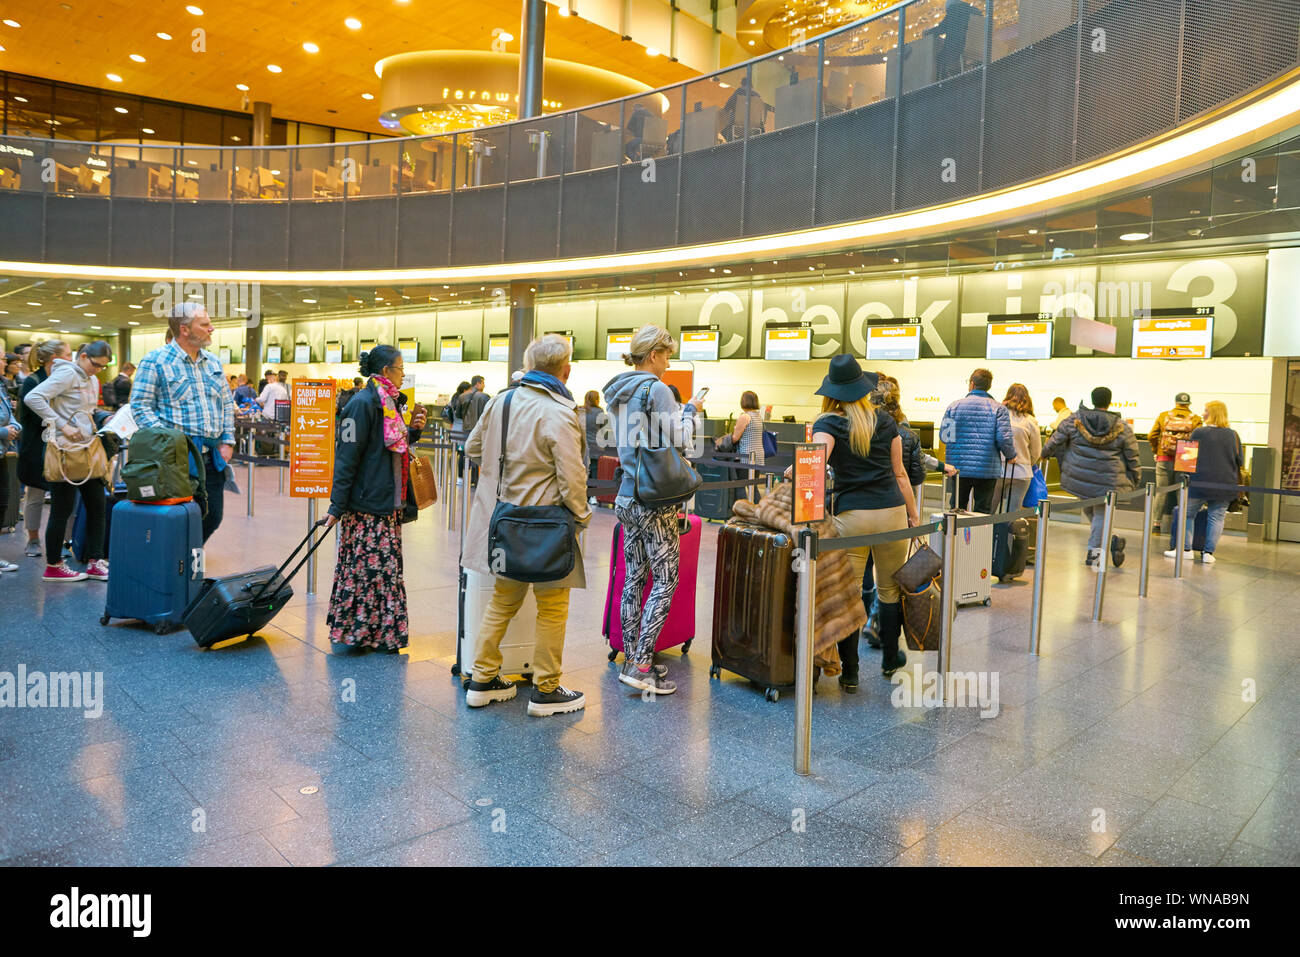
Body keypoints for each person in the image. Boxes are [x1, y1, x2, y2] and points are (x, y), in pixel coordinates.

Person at [461, 335, 591, 716]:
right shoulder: (559, 412)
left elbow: (472, 448)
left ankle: (482, 680)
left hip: (505, 522)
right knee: (552, 606)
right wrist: (581, 518)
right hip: (547, 526)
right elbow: (572, 477)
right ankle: (545, 690)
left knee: (502, 600)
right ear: (565, 370)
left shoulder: (502, 401)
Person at [603, 325, 706, 695]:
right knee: (665, 579)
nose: (668, 362)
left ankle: (633, 657)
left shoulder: (617, 390)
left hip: (628, 496)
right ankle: (642, 662)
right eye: (665, 355)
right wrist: (691, 411)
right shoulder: (657, 389)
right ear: (652, 355)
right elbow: (680, 438)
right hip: (656, 501)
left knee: (633, 577)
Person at [810, 356, 919, 691]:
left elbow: (814, 463)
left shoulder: (828, 423)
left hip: (851, 518)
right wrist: (913, 514)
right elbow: (900, 474)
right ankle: (889, 660)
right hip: (891, 512)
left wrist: (795, 471)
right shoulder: (886, 421)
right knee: (889, 589)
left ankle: (851, 672)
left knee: (850, 596)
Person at [325, 345, 427, 654]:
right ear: (385, 372)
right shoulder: (362, 403)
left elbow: (388, 445)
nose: (403, 374)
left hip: (387, 503)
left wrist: (413, 432)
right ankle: (360, 634)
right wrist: (336, 506)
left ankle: (381, 634)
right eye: (400, 369)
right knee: (367, 573)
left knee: (384, 573)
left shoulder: (388, 402)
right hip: (367, 506)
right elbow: (346, 457)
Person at [130, 303, 236, 543]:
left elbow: (226, 404)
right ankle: (177, 567)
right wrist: (165, 443)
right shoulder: (155, 361)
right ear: (185, 329)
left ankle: (186, 560)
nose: (212, 328)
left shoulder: (213, 363)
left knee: (212, 516)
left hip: (211, 457)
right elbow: (140, 405)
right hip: (176, 459)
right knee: (178, 517)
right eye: (205, 324)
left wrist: (227, 440)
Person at [24, 341, 114, 582]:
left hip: (87, 450)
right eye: (95, 364)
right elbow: (33, 398)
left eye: (102, 367)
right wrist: (62, 425)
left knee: (97, 507)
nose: (97, 370)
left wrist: (104, 419)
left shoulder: (92, 379)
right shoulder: (66, 373)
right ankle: (53, 565)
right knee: (61, 510)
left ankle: (95, 560)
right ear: (82, 356)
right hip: (64, 451)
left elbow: (88, 411)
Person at [1042, 386, 1139, 571]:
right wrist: (1135, 478)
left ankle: (1103, 548)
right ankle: (1098, 553)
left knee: (1094, 513)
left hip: (1081, 478)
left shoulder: (1075, 419)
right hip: (1108, 480)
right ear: (1109, 402)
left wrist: (1044, 452)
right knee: (1101, 515)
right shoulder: (1122, 426)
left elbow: (1056, 438)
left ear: (1092, 400)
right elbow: (1132, 455)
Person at [1164, 400, 1242, 565]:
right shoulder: (1233, 434)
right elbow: (1239, 460)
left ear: (1213, 413)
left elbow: (1187, 457)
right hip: (1225, 483)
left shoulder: (1199, 432)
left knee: (1187, 513)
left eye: (1206, 410)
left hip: (1199, 482)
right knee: (1217, 517)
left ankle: (1186, 550)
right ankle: (1208, 553)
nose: (1203, 413)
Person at [17, 341, 72, 559]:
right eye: (68, 355)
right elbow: (35, 413)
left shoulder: (66, 379)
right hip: (36, 444)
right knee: (35, 494)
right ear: (54, 358)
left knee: (63, 496)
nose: (71, 359)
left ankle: (61, 541)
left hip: (61, 444)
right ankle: (32, 539)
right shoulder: (33, 381)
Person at [939, 368, 1016, 512]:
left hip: (958, 467)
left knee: (956, 508)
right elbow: (1003, 438)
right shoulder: (999, 409)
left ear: (972, 384)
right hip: (986, 468)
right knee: (983, 510)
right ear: (989, 386)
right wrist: (1011, 455)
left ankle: (956, 535)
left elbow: (945, 437)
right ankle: (980, 535)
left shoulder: (954, 406)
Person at [1147, 392, 1202, 534]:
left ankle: (1156, 525)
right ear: (1188, 404)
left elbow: (1151, 435)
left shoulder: (1163, 416)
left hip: (1164, 458)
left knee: (1160, 491)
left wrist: (1157, 451)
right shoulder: (1196, 419)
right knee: (1182, 492)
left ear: (1176, 403)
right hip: (1185, 458)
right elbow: (1198, 441)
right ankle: (1182, 524)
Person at [994, 383, 1042, 513]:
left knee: (988, 512)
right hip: (1021, 473)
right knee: (1013, 513)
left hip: (997, 470)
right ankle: (1009, 533)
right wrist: (1026, 462)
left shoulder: (998, 415)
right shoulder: (1031, 421)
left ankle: (985, 533)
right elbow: (1036, 451)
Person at [0, 379, 20, 563]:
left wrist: (15, 426)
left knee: (2, 503)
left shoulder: (1, 385)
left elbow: (9, 414)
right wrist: (4, 432)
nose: (4, 363)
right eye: (1, 359)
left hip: (2, 453)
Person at [461, 375, 490, 485]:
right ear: (478, 383)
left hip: (466, 429)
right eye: (483, 382)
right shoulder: (484, 397)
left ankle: (467, 478)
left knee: (466, 452)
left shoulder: (462, 396)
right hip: (480, 430)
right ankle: (477, 479)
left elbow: (458, 414)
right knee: (479, 453)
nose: (484, 385)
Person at [581, 390, 608, 480]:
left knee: (583, 471)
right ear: (596, 399)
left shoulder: (581, 411)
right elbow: (603, 426)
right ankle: (594, 493)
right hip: (596, 446)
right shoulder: (599, 411)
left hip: (582, 446)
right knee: (595, 470)